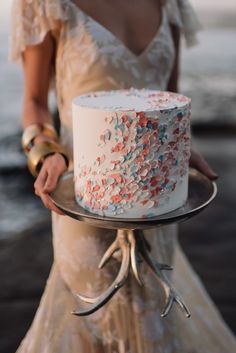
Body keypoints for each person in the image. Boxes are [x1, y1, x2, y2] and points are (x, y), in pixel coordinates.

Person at [10, 0, 236, 352]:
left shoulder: (170, 3)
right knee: (103, 324)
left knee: (158, 322)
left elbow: (168, 97)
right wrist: (45, 153)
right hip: (87, 200)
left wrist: (180, 143)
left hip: (158, 206)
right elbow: (35, 101)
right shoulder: (44, 3)